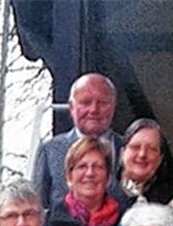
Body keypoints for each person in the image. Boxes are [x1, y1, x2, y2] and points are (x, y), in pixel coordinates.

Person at [31, 72, 122, 211]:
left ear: (114, 106)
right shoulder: (50, 151)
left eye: (102, 103)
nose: (94, 110)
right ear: (72, 107)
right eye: (85, 102)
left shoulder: (129, 150)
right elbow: (37, 208)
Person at [117, 116, 173, 204]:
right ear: (122, 152)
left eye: (151, 149)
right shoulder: (104, 189)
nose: (142, 154)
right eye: (135, 147)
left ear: (160, 158)